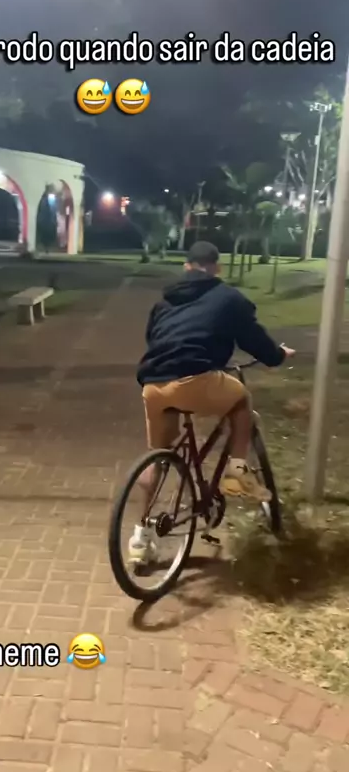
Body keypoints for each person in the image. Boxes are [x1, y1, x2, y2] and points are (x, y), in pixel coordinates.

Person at [129, 241, 295, 564]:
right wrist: (278, 356)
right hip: (196, 378)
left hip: (153, 383)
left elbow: (155, 338)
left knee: (156, 458)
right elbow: (254, 339)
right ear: (216, 267)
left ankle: (140, 538)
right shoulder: (228, 298)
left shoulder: (164, 301)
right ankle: (236, 474)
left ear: (187, 266)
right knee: (241, 401)